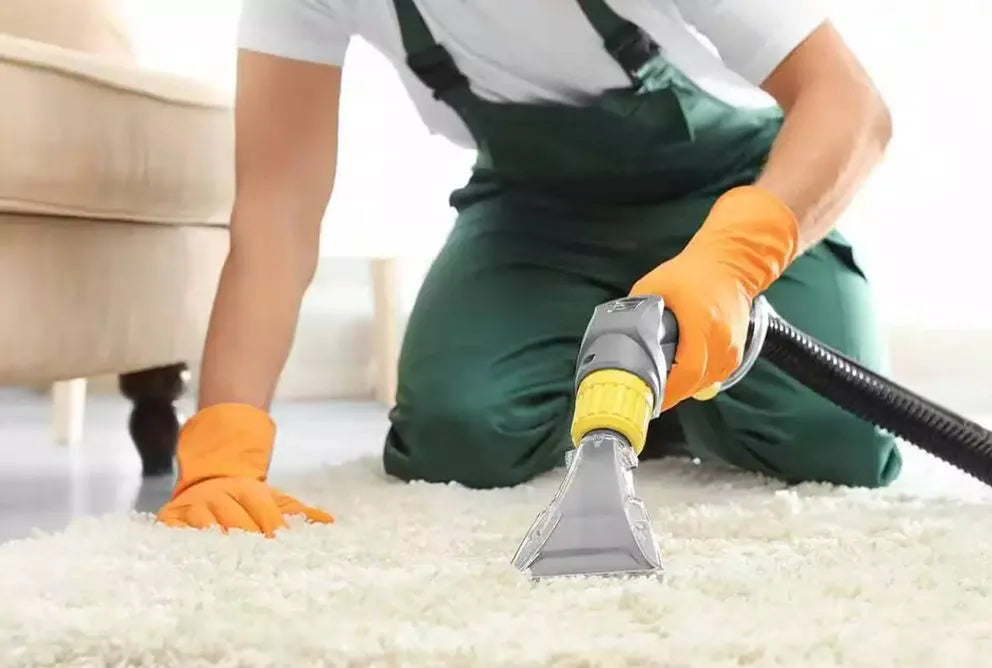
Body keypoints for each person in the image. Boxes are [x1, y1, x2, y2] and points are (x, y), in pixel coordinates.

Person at [156, 0, 899, 536]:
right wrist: (224, 449)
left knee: (835, 440)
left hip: (728, 194)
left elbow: (849, 102)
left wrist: (735, 263)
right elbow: (277, 206)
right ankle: (629, 386)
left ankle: (659, 400)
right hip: (537, 215)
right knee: (457, 435)